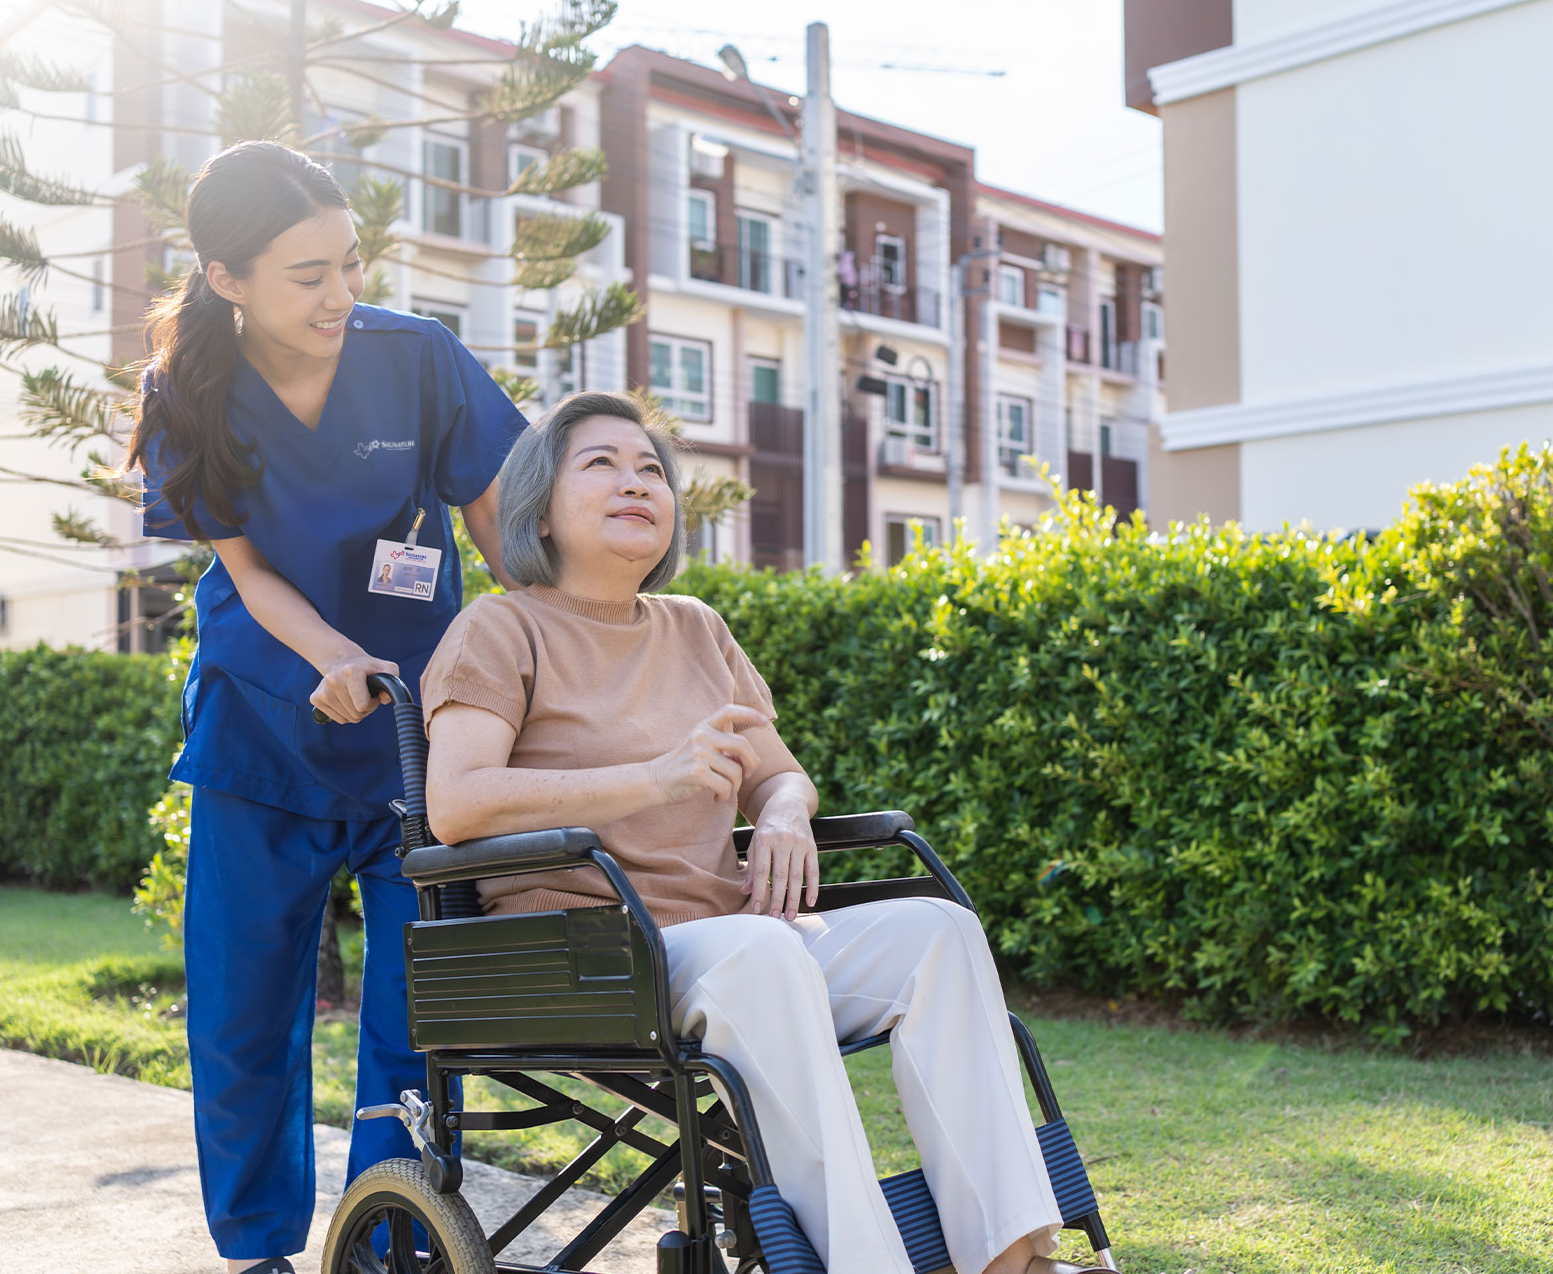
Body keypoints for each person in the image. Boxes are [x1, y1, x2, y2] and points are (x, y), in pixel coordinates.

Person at [418, 392, 1106, 1274]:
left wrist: (781, 813)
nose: (637, 483)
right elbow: (459, 803)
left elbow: (778, 774)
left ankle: (1016, 1256)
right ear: (537, 507)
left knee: (940, 931)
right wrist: (653, 780)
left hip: (729, 941)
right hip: (589, 952)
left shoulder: (698, 628)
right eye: (600, 464)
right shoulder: (500, 628)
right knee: (765, 956)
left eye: (653, 471)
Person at [124, 141, 524, 1274]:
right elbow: (248, 574)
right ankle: (258, 1250)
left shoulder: (419, 360)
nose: (341, 294)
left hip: (423, 747)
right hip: (265, 728)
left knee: (418, 1023)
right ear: (226, 277)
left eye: (351, 262)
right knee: (246, 1022)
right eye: (308, 274)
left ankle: (387, 1241)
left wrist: (552, 655)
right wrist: (336, 656)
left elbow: (506, 535)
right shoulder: (186, 392)